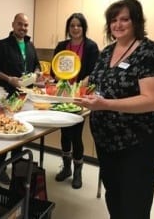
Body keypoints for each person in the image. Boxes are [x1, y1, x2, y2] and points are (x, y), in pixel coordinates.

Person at [77, 0, 154, 219]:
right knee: (114, 195)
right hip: (108, 139)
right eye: (113, 20)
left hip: (141, 140)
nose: (118, 25)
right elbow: (92, 81)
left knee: (134, 202)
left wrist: (105, 104)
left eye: (124, 19)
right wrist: (68, 89)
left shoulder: (151, 53)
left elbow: (153, 100)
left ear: (137, 22)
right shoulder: (107, 52)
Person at [0, 13, 41, 184]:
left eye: (26, 25)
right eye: (20, 24)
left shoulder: (30, 44)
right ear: (13, 25)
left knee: (20, 131)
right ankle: (0, 167)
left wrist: (37, 73)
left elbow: (37, 65)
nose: (23, 28)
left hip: (25, 96)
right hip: (8, 95)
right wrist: (8, 78)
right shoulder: (2, 45)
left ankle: (17, 166)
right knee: (5, 133)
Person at [52, 13, 99, 189]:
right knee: (64, 133)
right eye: (72, 25)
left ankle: (78, 171)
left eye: (79, 25)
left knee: (76, 135)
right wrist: (57, 77)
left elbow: (94, 72)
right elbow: (54, 71)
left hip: (80, 96)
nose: (75, 28)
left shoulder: (91, 47)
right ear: (68, 28)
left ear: (83, 27)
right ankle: (66, 168)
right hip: (63, 95)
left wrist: (81, 84)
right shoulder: (62, 46)